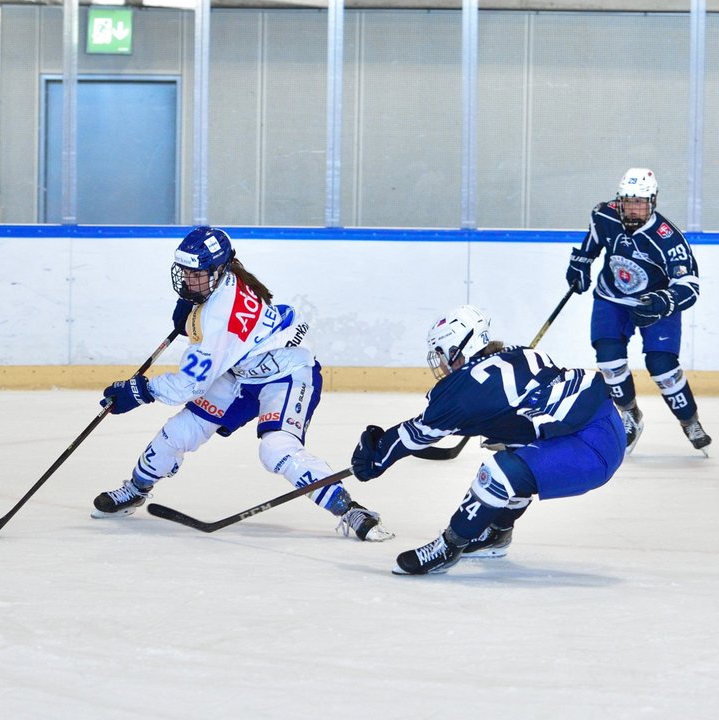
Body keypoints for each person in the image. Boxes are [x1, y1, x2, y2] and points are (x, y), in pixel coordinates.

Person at [92, 226, 393, 542]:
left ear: (219, 269)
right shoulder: (224, 282)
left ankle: (351, 509)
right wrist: (195, 308)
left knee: (276, 449)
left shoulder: (220, 314)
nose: (188, 280)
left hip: (286, 372)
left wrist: (141, 391)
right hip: (241, 371)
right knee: (179, 432)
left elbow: (189, 385)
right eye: (185, 272)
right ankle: (135, 490)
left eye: (197, 274)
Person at [350, 305, 625, 575]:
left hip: (590, 447)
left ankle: (448, 547)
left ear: (459, 349)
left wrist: (376, 458)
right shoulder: (521, 353)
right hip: (606, 424)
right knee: (517, 452)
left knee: (498, 472)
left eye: (442, 353)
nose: (441, 362)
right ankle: (497, 534)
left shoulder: (462, 392)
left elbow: (418, 433)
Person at [566, 168, 708, 455]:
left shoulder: (667, 238)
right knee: (608, 359)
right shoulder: (604, 214)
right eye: (627, 201)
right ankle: (630, 414)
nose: (632, 208)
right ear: (619, 200)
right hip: (612, 298)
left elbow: (690, 286)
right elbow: (592, 243)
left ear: (652, 201)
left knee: (662, 366)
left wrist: (664, 301)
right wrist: (580, 263)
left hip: (654, 303)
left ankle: (689, 420)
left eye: (640, 202)